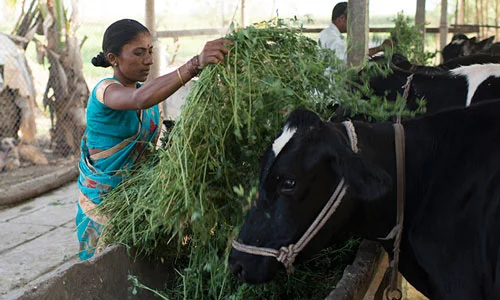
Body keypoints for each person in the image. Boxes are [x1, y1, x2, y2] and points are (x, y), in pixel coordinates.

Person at [76, 19, 233, 260]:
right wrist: (194, 65)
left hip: (140, 202)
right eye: (139, 53)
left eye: (150, 51)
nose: (148, 60)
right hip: (104, 204)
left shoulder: (148, 96)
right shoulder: (105, 91)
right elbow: (139, 98)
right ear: (113, 58)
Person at [319, 2, 393, 62]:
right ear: (342, 19)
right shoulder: (330, 36)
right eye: (352, 20)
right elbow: (349, 58)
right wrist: (379, 48)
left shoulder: (328, 33)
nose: (353, 25)